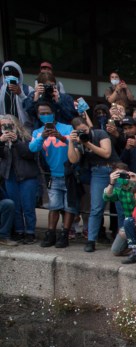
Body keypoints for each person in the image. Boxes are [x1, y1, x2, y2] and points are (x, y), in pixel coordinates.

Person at [67, 116, 121, 251]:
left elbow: (106, 153)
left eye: (84, 130)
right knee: (96, 208)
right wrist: (71, 142)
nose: (83, 133)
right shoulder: (78, 142)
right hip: (97, 172)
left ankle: (123, 240)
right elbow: (73, 160)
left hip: (114, 168)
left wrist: (87, 143)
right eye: (79, 131)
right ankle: (91, 240)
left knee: (121, 207)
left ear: (88, 126)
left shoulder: (99, 133)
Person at [29, 101, 76, 248]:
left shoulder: (67, 128)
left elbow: (76, 142)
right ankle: (51, 234)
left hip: (69, 175)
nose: (45, 115)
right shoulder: (37, 132)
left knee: (69, 207)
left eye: (47, 112)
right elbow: (32, 148)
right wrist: (42, 136)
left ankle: (65, 235)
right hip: (53, 176)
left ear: (54, 112)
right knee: (54, 206)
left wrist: (61, 137)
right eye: (41, 113)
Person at [0, 114, 40, 243]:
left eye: (9, 125)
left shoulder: (26, 137)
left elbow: (29, 154)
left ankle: (30, 232)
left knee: (28, 205)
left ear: (15, 125)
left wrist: (16, 141)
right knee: (15, 206)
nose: (6, 128)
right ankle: (19, 231)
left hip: (27, 175)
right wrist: (1, 142)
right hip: (9, 175)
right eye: (2, 126)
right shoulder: (1, 140)